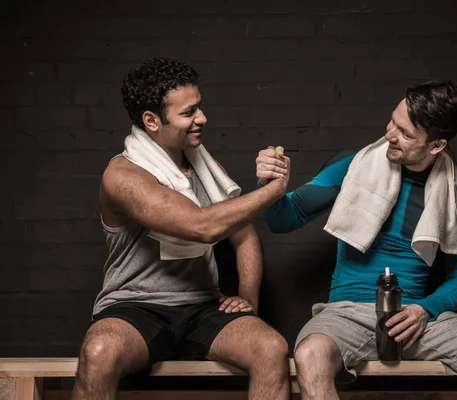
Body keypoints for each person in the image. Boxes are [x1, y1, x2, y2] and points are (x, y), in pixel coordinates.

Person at [256, 81, 457, 400]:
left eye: (405, 133)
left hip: (415, 317)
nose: (389, 135)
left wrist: (425, 310)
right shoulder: (353, 167)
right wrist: (270, 185)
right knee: (310, 354)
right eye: (392, 121)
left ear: (436, 146)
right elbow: (282, 219)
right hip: (347, 312)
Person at [72, 58, 292, 400]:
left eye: (199, 107)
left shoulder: (205, 168)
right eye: (189, 112)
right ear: (152, 120)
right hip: (136, 307)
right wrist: (272, 190)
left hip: (204, 306)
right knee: (99, 351)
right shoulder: (124, 176)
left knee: (271, 348)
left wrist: (248, 296)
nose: (201, 118)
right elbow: (199, 226)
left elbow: (244, 233)